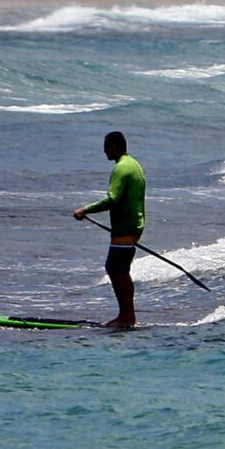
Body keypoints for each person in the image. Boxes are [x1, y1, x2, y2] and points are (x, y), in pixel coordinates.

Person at [74, 130, 148, 329]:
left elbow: (112, 199)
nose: (104, 152)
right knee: (118, 269)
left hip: (126, 227)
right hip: (132, 224)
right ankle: (127, 316)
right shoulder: (133, 164)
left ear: (115, 146)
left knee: (117, 269)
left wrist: (85, 209)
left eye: (106, 147)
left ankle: (126, 317)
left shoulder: (122, 168)